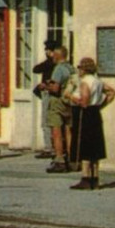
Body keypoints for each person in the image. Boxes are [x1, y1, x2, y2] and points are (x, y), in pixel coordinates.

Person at [68, 56, 114, 190]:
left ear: (83, 69)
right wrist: (101, 105)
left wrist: (70, 96)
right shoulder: (98, 81)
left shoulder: (84, 82)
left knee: (85, 145)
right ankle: (95, 178)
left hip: (85, 114)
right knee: (95, 146)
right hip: (95, 113)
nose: (78, 71)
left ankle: (86, 178)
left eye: (79, 68)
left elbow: (84, 101)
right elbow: (112, 93)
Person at [42, 45, 74, 173]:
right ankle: (71, 158)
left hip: (57, 102)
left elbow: (55, 88)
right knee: (68, 131)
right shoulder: (71, 68)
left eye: (54, 55)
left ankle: (59, 159)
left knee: (56, 131)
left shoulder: (59, 69)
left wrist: (44, 86)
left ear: (57, 56)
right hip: (68, 102)